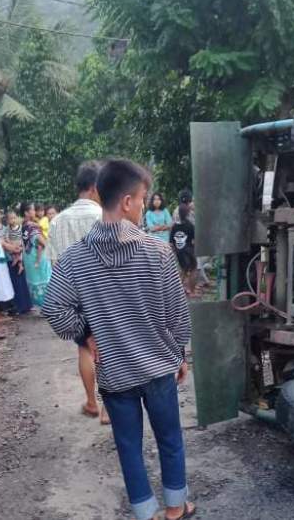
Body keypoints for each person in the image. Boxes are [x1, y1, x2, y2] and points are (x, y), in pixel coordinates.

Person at [43, 159, 195, 520]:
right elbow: (178, 315)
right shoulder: (157, 252)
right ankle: (176, 508)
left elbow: (54, 308)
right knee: (170, 439)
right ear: (127, 202)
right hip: (158, 368)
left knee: (128, 448)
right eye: (142, 199)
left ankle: (146, 513)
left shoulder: (75, 259)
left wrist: (85, 334)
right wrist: (179, 354)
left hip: (115, 374)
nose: (143, 205)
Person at [46, 160, 108, 423]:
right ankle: (108, 409)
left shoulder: (57, 221)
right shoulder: (103, 216)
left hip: (74, 296)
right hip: (104, 293)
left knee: (85, 348)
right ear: (95, 188)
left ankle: (92, 402)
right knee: (108, 349)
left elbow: (55, 264)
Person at [20, 202, 52, 307]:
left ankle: (41, 306)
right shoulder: (33, 227)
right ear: (26, 213)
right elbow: (43, 243)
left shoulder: (23, 225)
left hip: (29, 258)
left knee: (34, 282)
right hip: (38, 258)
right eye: (33, 210)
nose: (35, 212)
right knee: (44, 281)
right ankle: (47, 307)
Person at [4, 208, 33, 315]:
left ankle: (20, 264)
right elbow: (6, 238)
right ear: (7, 220)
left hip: (19, 247)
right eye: (10, 219)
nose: (13, 220)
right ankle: (21, 306)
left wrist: (20, 245)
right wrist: (10, 244)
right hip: (12, 250)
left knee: (20, 281)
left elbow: (23, 238)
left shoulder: (20, 227)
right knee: (17, 282)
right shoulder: (7, 229)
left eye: (14, 218)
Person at [170, 203, 198, 297]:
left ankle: (177, 292)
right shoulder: (190, 225)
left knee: (183, 270)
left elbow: (171, 242)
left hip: (179, 252)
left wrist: (175, 251)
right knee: (193, 269)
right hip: (189, 250)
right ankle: (192, 291)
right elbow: (194, 240)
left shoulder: (174, 226)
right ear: (188, 213)